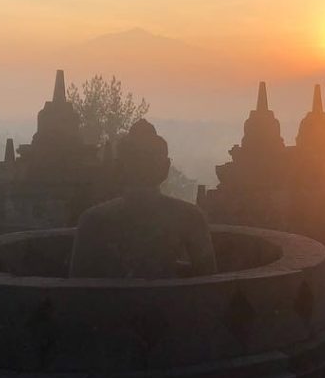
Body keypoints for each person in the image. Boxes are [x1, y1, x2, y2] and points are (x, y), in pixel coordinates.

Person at [69, 119, 217, 278]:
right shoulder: (190, 217)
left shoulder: (92, 220)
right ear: (165, 168)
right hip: (171, 302)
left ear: (118, 168)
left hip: (109, 302)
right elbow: (208, 285)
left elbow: (77, 287)